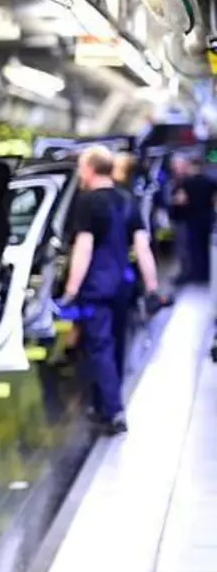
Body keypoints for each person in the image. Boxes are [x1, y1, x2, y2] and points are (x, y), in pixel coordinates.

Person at [62, 145, 161, 435]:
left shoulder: (88, 202)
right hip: (123, 285)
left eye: (82, 167)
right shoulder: (127, 200)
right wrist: (152, 286)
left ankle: (114, 410)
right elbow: (142, 247)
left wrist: (71, 288)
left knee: (99, 346)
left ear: (90, 169)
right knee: (117, 344)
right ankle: (102, 406)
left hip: (96, 286)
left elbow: (84, 246)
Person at [168, 154, 215, 284]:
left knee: (193, 249)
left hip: (191, 220)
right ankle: (207, 274)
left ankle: (196, 275)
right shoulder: (210, 181)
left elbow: (181, 200)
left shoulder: (186, 183)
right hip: (206, 219)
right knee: (205, 247)